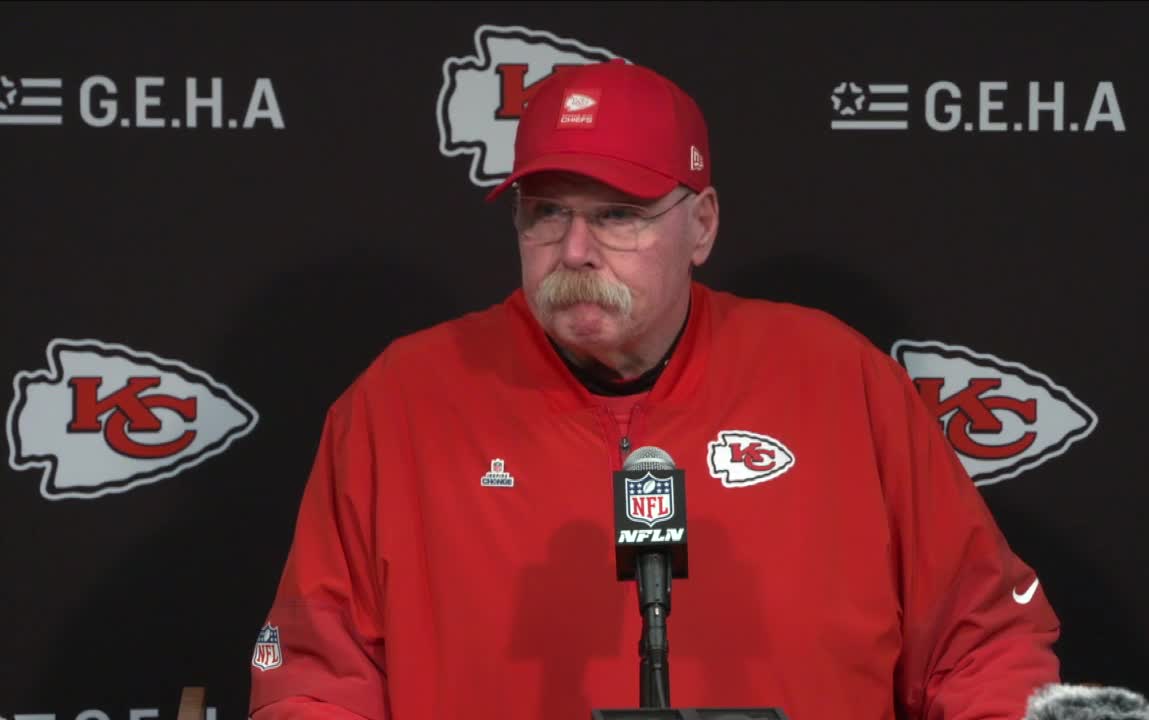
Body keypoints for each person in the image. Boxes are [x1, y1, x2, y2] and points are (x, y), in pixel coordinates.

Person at [248, 59, 1061, 719]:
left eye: (617, 215)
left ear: (700, 224)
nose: (574, 249)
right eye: (546, 212)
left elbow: (983, 644)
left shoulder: (840, 381)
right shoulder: (401, 403)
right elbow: (316, 682)